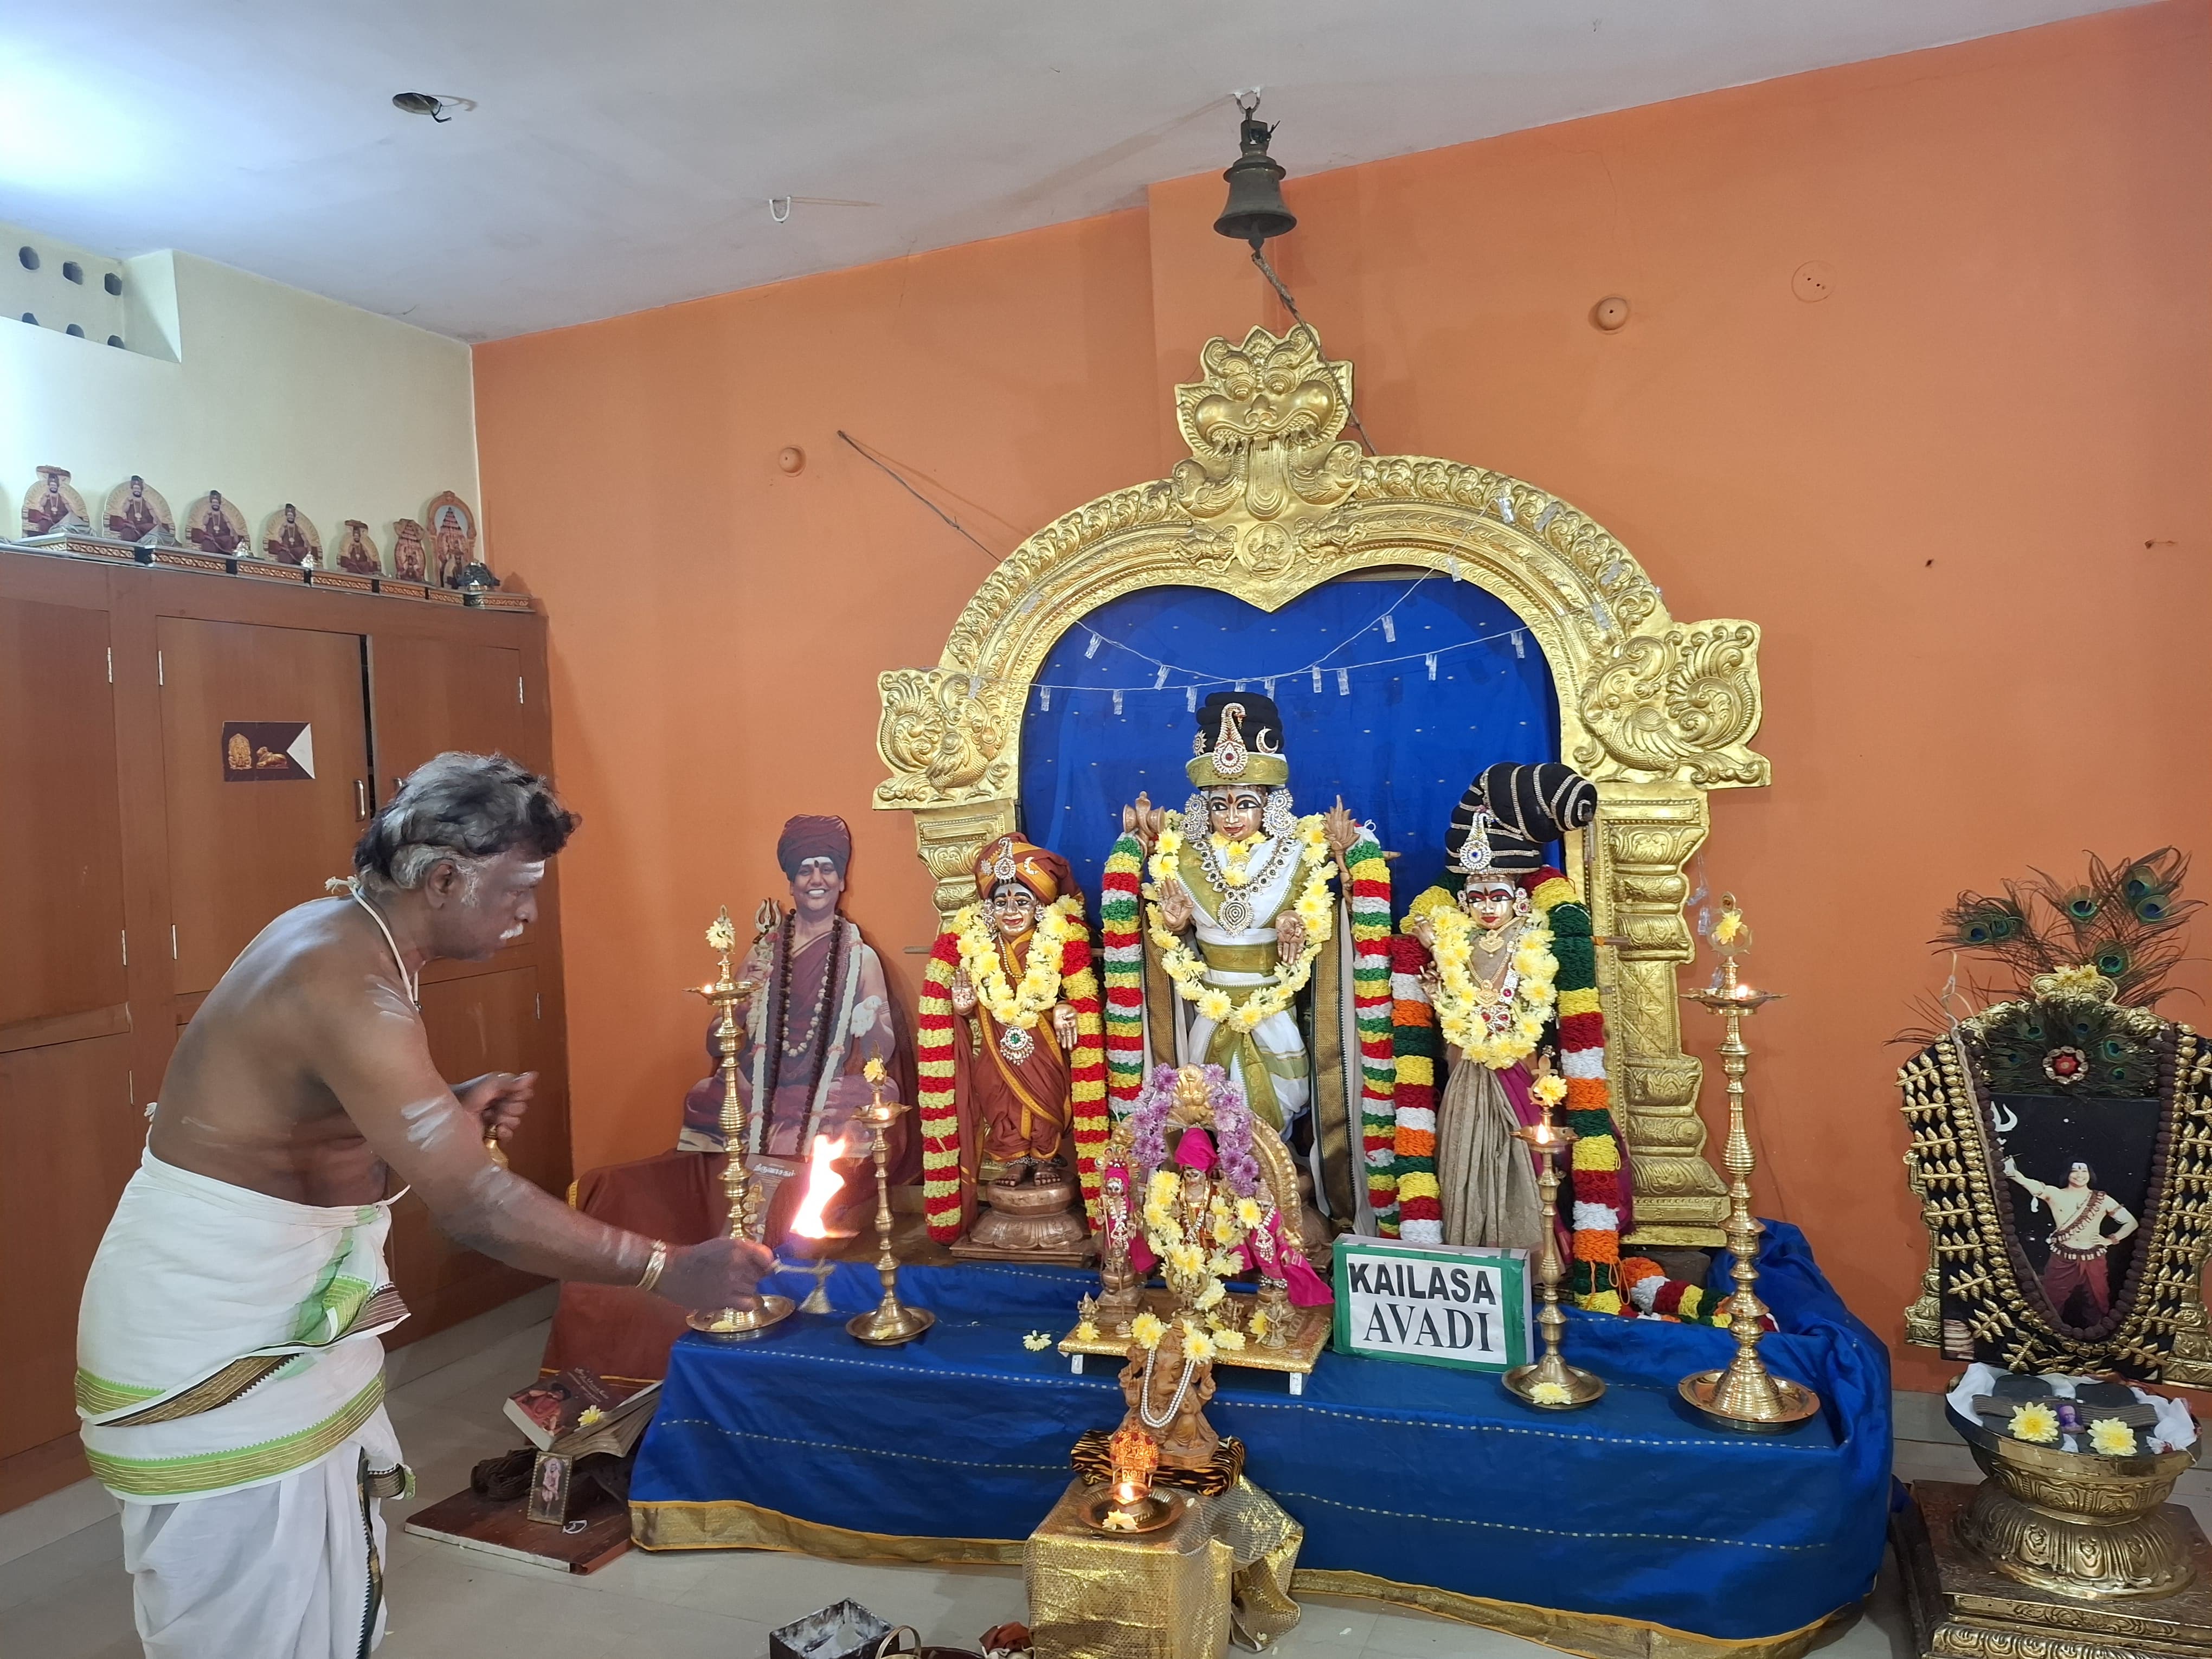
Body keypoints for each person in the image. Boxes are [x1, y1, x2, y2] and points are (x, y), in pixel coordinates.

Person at [76, 753, 770, 1658]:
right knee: (245, 1624)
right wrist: (667, 1268)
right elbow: (476, 1210)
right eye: (519, 889)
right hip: (215, 1329)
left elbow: (319, 1119)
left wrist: (445, 1111)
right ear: (444, 880)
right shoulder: (344, 980)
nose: (529, 912)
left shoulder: (353, 936)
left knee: (319, 1603)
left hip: (276, 1321)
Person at [922, 834, 1105, 1245]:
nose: (1011, 911)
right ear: (988, 909)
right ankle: (1014, 1158)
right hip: (995, 1042)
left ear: (1039, 907)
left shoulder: (1056, 939)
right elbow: (974, 999)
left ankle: (1045, 1158)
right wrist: (964, 1007)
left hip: (1044, 1043)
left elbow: (1078, 993)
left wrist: (1064, 1007)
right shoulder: (977, 945)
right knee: (997, 1097)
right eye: (1001, 902)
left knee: (1048, 1098)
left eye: (1022, 901)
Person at [2006, 1157, 2138, 1322]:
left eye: (2084, 1171)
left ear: (2090, 1174)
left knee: (2099, 1300)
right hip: (2063, 1258)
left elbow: (2131, 1223)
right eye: (2075, 1170)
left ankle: (2097, 1333)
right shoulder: (2056, 1194)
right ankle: (2048, 1332)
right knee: (2050, 1300)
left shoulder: (2102, 1199)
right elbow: (2033, 1186)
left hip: (2094, 1257)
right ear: (2067, 1174)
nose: (2080, 1175)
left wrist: (2110, 1240)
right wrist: (2013, 1174)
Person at [109, 475, 158, 540]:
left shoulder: (145, 501)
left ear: (141, 490)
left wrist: (155, 517)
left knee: (154, 529)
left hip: (144, 524)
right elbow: (125, 510)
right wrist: (129, 502)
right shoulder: (130, 500)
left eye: (138, 489)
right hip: (132, 524)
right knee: (127, 532)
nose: (137, 491)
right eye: (135, 489)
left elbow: (151, 510)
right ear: (132, 489)